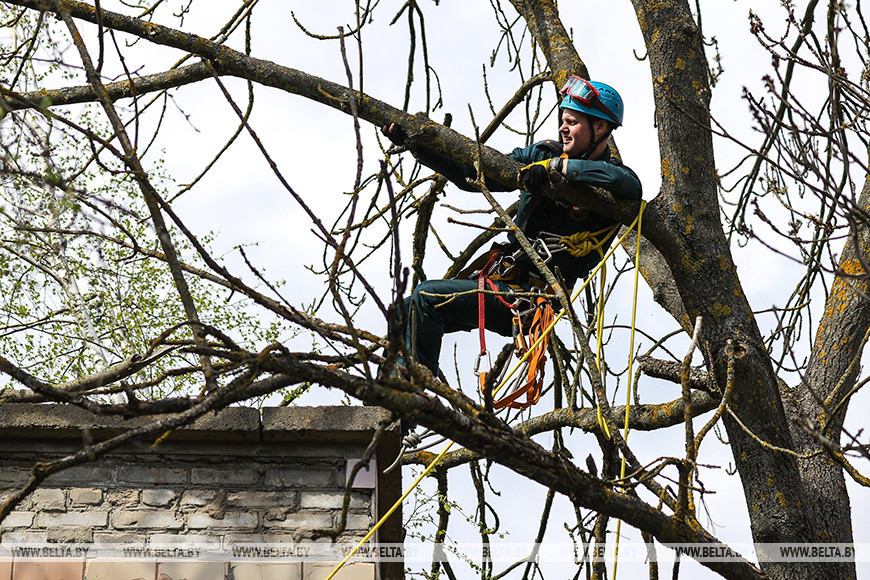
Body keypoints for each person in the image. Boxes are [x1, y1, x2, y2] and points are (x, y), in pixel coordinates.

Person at [382, 76, 643, 378]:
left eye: (572, 122)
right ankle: (392, 397)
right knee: (403, 312)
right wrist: (417, 145)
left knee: (428, 297)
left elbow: (629, 184)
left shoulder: (613, 180)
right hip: (501, 281)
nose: (563, 128)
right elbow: (474, 173)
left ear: (599, 127)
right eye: (563, 120)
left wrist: (557, 169)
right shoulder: (542, 154)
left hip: (531, 299)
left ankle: (412, 387)